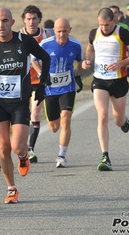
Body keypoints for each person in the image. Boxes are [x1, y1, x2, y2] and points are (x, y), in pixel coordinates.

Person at [0, 7, 50, 203]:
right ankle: (11, 189)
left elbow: (45, 57)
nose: (1, 25)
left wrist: (42, 84)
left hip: (20, 102)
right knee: (3, 148)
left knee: (16, 147)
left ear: (12, 22)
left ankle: (23, 155)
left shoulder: (23, 41)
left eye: (5, 21)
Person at [82, 8, 129, 171]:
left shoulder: (123, 33)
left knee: (118, 120)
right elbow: (90, 49)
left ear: (114, 21)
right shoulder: (94, 33)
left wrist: (122, 63)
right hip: (100, 80)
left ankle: (124, 120)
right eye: (101, 24)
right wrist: (87, 60)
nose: (104, 28)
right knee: (103, 116)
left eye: (107, 25)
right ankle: (105, 156)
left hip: (119, 80)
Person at [38, 18, 83, 168]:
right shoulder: (45, 44)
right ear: (54, 31)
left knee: (66, 119)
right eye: (59, 31)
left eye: (65, 31)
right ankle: (60, 150)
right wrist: (41, 74)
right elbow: (33, 60)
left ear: (70, 30)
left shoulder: (76, 45)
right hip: (50, 89)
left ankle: (61, 156)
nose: (62, 34)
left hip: (68, 88)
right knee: (54, 127)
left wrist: (78, 75)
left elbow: (80, 61)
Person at [20, 4, 51, 163]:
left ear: (39, 20)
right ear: (23, 21)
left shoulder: (46, 35)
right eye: (28, 19)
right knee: (22, 117)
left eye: (34, 19)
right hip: (21, 82)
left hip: (39, 81)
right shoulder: (17, 36)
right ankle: (21, 147)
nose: (31, 22)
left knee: (34, 114)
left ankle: (30, 149)